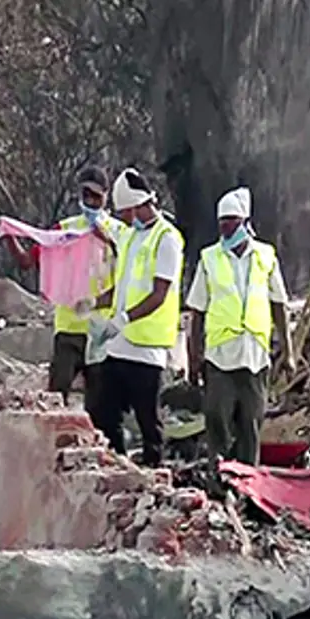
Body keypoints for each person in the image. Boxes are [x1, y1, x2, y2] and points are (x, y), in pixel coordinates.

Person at [81, 168, 185, 466]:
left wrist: (124, 318)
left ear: (139, 206)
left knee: (147, 421)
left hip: (147, 349)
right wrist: (94, 303)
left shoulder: (167, 239)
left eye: (126, 212)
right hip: (119, 345)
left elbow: (159, 294)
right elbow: (123, 287)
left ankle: (155, 475)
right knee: (104, 413)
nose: (124, 218)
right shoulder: (130, 237)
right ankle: (116, 467)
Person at [185, 187, 295, 466]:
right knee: (216, 420)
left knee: (251, 426)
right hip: (220, 357)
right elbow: (196, 312)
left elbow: (279, 305)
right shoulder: (210, 258)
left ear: (245, 223)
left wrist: (288, 351)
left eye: (231, 222)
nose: (225, 229)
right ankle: (218, 485)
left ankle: (247, 490)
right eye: (222, 223)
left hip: (255, 356)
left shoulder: (266, 256)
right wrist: (193, 356)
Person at [0, 166, 126, 406]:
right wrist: (9, 236)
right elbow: (28, 261)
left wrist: (107, 240)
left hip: (102, 329)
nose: (90, 201)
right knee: (56, 398)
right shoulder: (65, 229)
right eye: (86, 194)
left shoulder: (120, 231)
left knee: (102, 404)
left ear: (107, 195)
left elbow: (130, 270)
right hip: (69, 327)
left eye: (96, 196)